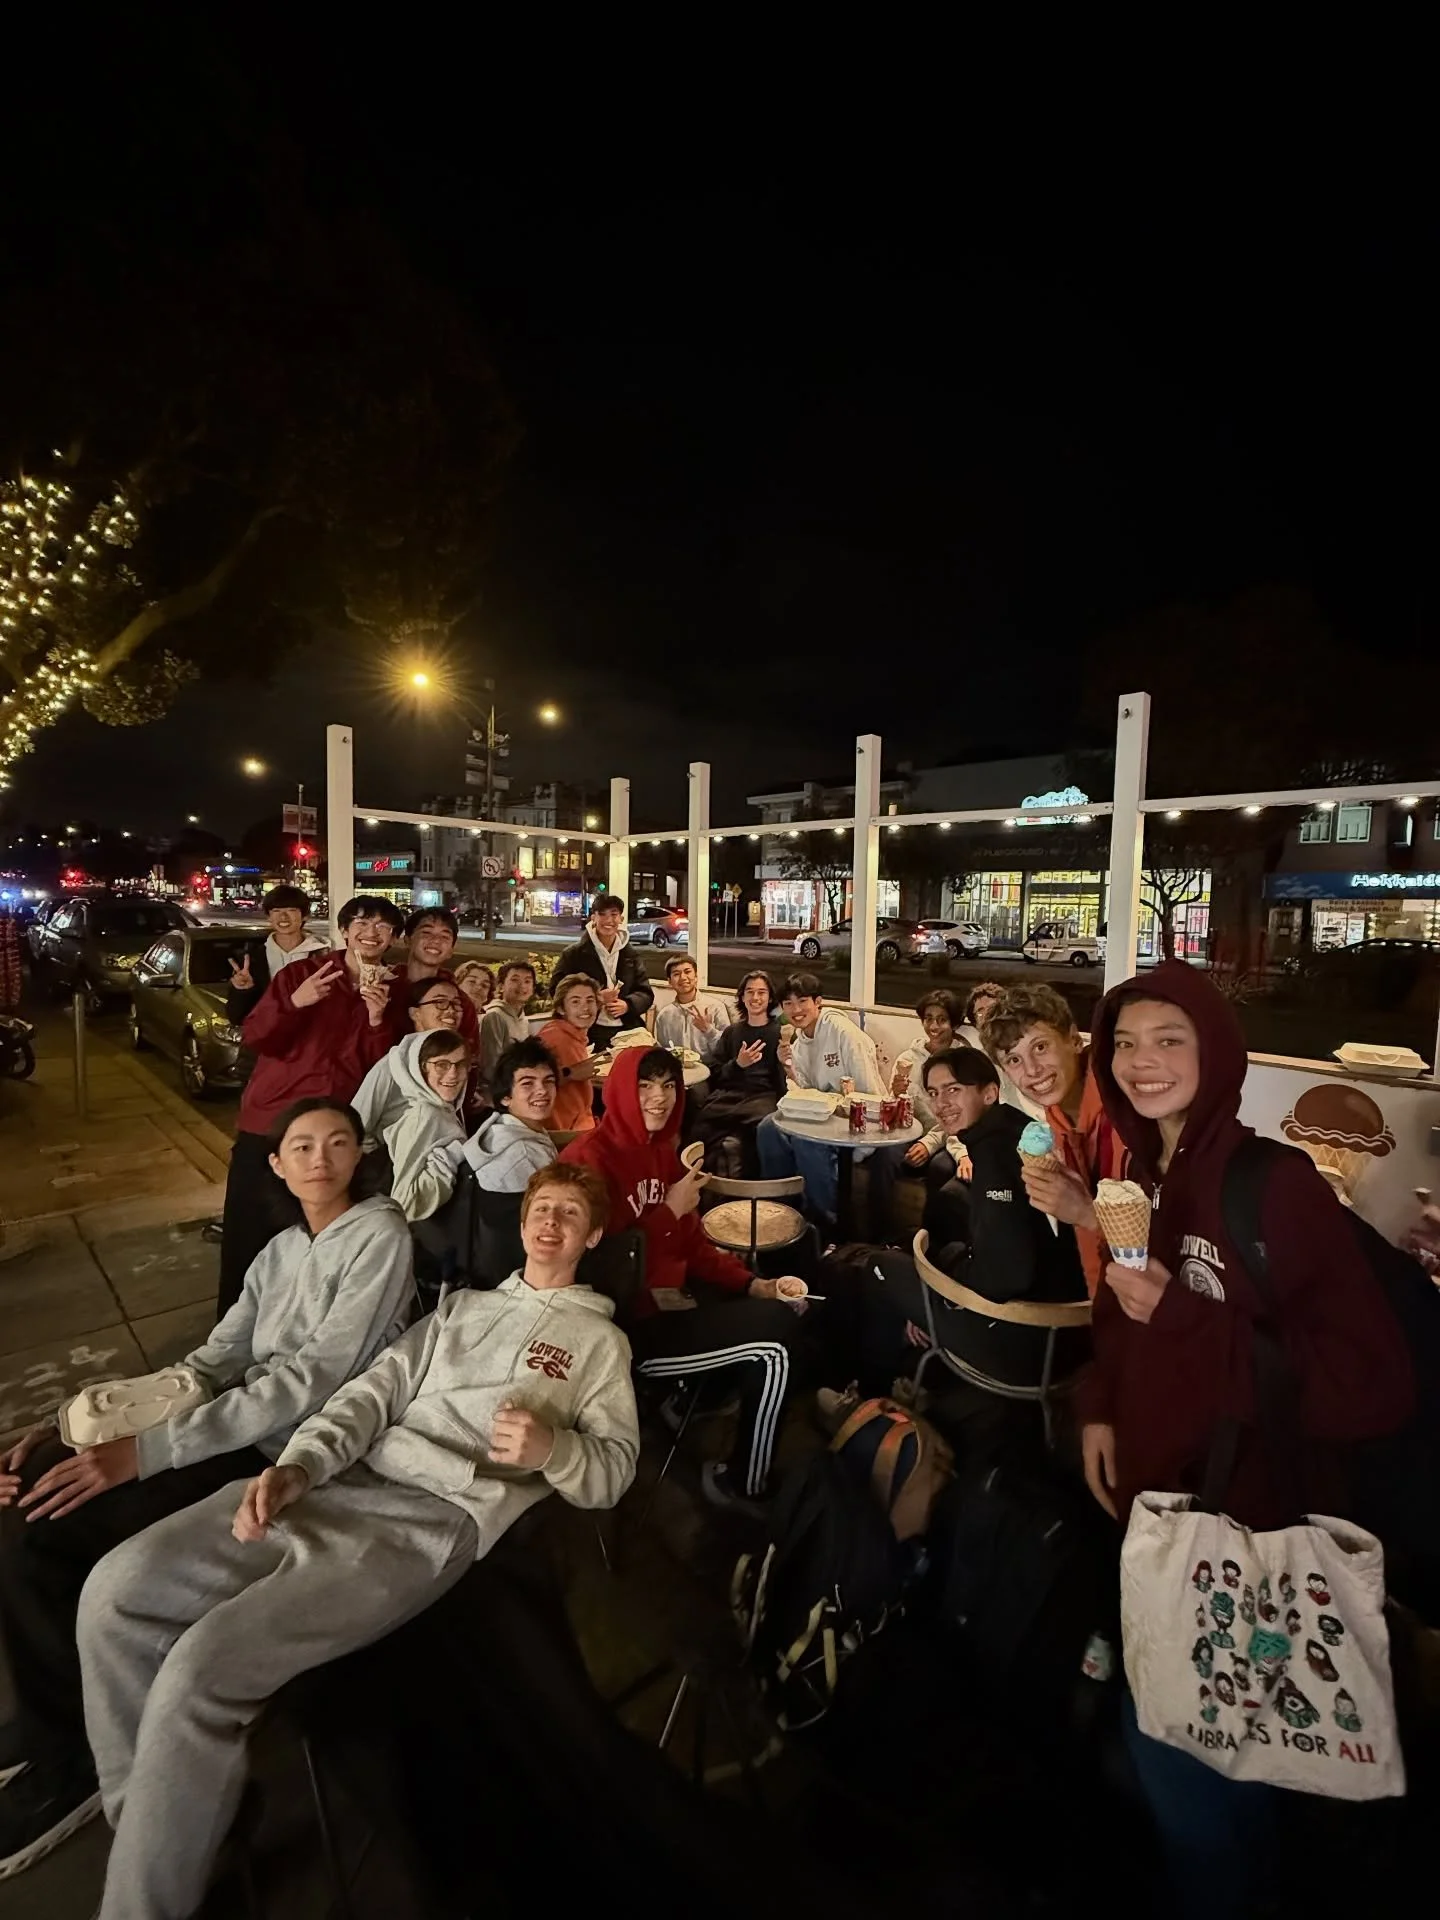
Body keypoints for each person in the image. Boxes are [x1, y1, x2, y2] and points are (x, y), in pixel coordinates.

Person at [76, 1162, 638, 1920]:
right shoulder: (460, 1310)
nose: (550, 1224)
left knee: (200, 1667)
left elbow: (613, 1473)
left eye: (570, 1214)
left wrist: (552, 1453)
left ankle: (143, 1900)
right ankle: (160, 1828)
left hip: (427, 1522)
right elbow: (373, 1392)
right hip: (340, 1480)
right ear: (523, 1219)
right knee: (113, 1592)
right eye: (542, 1208)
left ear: (592, 1234)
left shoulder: (599, 1344)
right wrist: (300, 1465)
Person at [1076, 960, 1415, 1915]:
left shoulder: (1275, 1188)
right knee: (1197, 1762)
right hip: (1156, 1514)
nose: (1142, 1062)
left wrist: (1183, 1318)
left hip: (1247, 1535)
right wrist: (1098, 1402)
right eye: (1125, 1044)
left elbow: (1371, 1387)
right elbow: (1123, 1323)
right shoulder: (1146, 1176)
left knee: (1195, 1780)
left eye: (1169, 1040)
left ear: (1217, 1051)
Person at [0, 1099, 413, 1881]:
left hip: (285, 1453)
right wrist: (85, 1421)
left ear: (359, 1155)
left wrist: (147, 1453)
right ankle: (53, 1715)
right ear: (277, 1164)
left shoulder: (380, 1238)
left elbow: (310, 1381)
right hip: (225, 1427)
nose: (320, 1158)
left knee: (48, 1546)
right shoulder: (280, 1251)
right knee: (33, 1491)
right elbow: (212, 1361)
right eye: (301, 1145)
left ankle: (71, 1770)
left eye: (337, 1143)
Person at [563, 1047, 806, 1513]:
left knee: (773, 1300)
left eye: (669, 1086)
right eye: (645, 1086)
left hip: (673, 1299)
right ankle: (744, 1482)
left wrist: (754, 1285)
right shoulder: (587, 1161)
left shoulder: (662, 1153)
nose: (659, 1098)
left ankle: (693, 1392)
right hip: (626, 1330)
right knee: (776, 1343)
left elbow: (692, 1245)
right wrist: (667, 1211)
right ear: (619, 1091)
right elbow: (593, 1271)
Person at [819, 1046, 1087, 1455]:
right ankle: (913, 1375)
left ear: (989, 1093)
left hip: (1021, 1342)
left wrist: (939, 1294)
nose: (942, 1103)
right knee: (937, 1221)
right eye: (934, 1092)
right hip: (1060, 1331)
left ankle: (865, 1401)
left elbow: (1006, 1277)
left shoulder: (997, 1157)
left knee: (881, 1267)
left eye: (954, 1089)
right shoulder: (1011, 1132)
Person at [216, 895, 403, 1316]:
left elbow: (378, 1070)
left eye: (383, 927)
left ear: (391, 938)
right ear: (344, 930)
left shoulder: (388, 989)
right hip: (272, 1123)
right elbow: (257, 1036)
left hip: (332, 1131)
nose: (371, 933)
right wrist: (296, 1001)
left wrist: (377, 1020)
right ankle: (230, 1328)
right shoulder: (305, 973)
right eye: (362, 923)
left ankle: (295, 1327)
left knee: (313, 1236)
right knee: (249, 1233)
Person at [982, 981, 1126, 1295]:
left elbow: (1167, 1236)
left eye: (1041, 1047)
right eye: (1014, 1060)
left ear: (1074, 1039)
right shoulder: (1057, 1118)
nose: (1032, 1070)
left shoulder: (1126, 1112)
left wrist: (1086, 1212)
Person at [756, 971, 882, 1235]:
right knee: (768, 1127)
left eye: (802, 1001)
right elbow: (806, 1089)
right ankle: (782, 1208)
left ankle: (824, 1221)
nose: (795, 1010)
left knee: (806, 1138)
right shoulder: (800, 1041)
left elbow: (870, 1092)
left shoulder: (844, 1033)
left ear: (818, 1002)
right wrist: (787, 1065)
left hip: (857, 1119)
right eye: (788, 1003)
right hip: (820, 1114)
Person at [866, 987, 966, 1238]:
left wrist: (928, 1144)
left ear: (953, 1023)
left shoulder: (964, 1061)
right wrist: (896, 1094)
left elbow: (960, 1116)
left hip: (950, 1137)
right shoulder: (908, 1057)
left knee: (941, 1167)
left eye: (942, 1020)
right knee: (884, 1153)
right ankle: (876, 1234)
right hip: (913, 1132)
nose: (934, 1026)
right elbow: (897, 1108)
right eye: (929, 1019)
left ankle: (929, 1236)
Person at [351, 1029, 469, 1221]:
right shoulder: (425, 1116)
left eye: (461, 1064)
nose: (453, 1074)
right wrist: (447, 1159)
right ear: (421, 1068)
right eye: (441, 1065)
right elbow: (406, 1203)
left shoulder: (441, 1110)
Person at [690, 970, 787, 1175]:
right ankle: (704, 1182)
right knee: (702, 1121)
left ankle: (750, 1187)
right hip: (731, 1094)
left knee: (758, 1125)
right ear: (742, 997)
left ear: (770, 998)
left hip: (763, 1096)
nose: (755, 998)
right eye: (750, 992)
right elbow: (715, 1072)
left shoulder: (779, 1033)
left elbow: (782, 1080)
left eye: (762, 992)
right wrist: (738, 1064)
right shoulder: (732, 1032)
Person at [464, 1039, 560, 1194]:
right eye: (527, 1083)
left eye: (548, 1081)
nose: (542, 1090)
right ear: (505, 1097)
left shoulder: (504, 1127)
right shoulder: (525, 1156)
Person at [225, 885, 330, 1025]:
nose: (283, 916)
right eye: (276, 911)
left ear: (305, 915)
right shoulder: (251, 959)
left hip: (310, 1041)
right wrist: (243, 991)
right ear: (269, 916)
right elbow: (236, 1018)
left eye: (291, 910)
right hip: (267, 1041)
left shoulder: (324, 955)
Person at [554, 895, 653, 1044]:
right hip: (588, 1031)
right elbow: (556, 990)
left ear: (621, 919)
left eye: (614, 914)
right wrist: (595, 997)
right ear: (593, 917)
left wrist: (628, 1005)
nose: (608, 920)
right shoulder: (574, 954)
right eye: (602, 914)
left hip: (626, 1031)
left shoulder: (630, 954)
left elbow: (645, 992)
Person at [391, 908, 481, 1058]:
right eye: (426, 933)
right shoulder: (385, 989)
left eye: (445, 936)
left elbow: (470, 1058)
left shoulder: (460, 1003)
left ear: (452, 949)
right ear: (407, 940)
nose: (436, 941)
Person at [538, 974, 603, 1134]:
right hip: (562, 1134)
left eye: (590, 1000)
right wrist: (571, 1073)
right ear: (561, 1008)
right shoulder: (553, 1036)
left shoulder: (576, 1035)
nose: (585, 1008)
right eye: (575, 1002)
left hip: (580, 1124)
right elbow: (531, 1082)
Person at [651, 956, 732, 1061]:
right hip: (677, 1070)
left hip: (711, 1069)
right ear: (670, 981)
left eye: (687, 972)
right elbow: (663, 1050)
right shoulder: (664, 1015)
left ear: (696, 976)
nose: (683, 977)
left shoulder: (715, 1007)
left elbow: (728, 1049)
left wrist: (708, 1030)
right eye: (676, 974)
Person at [480, 959, 537, 1082]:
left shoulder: (523, 1019)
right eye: (515, 980)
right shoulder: (495, 1016)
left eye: (527, 981)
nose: (522, 986)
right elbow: (491, 1065)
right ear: (501, 986)